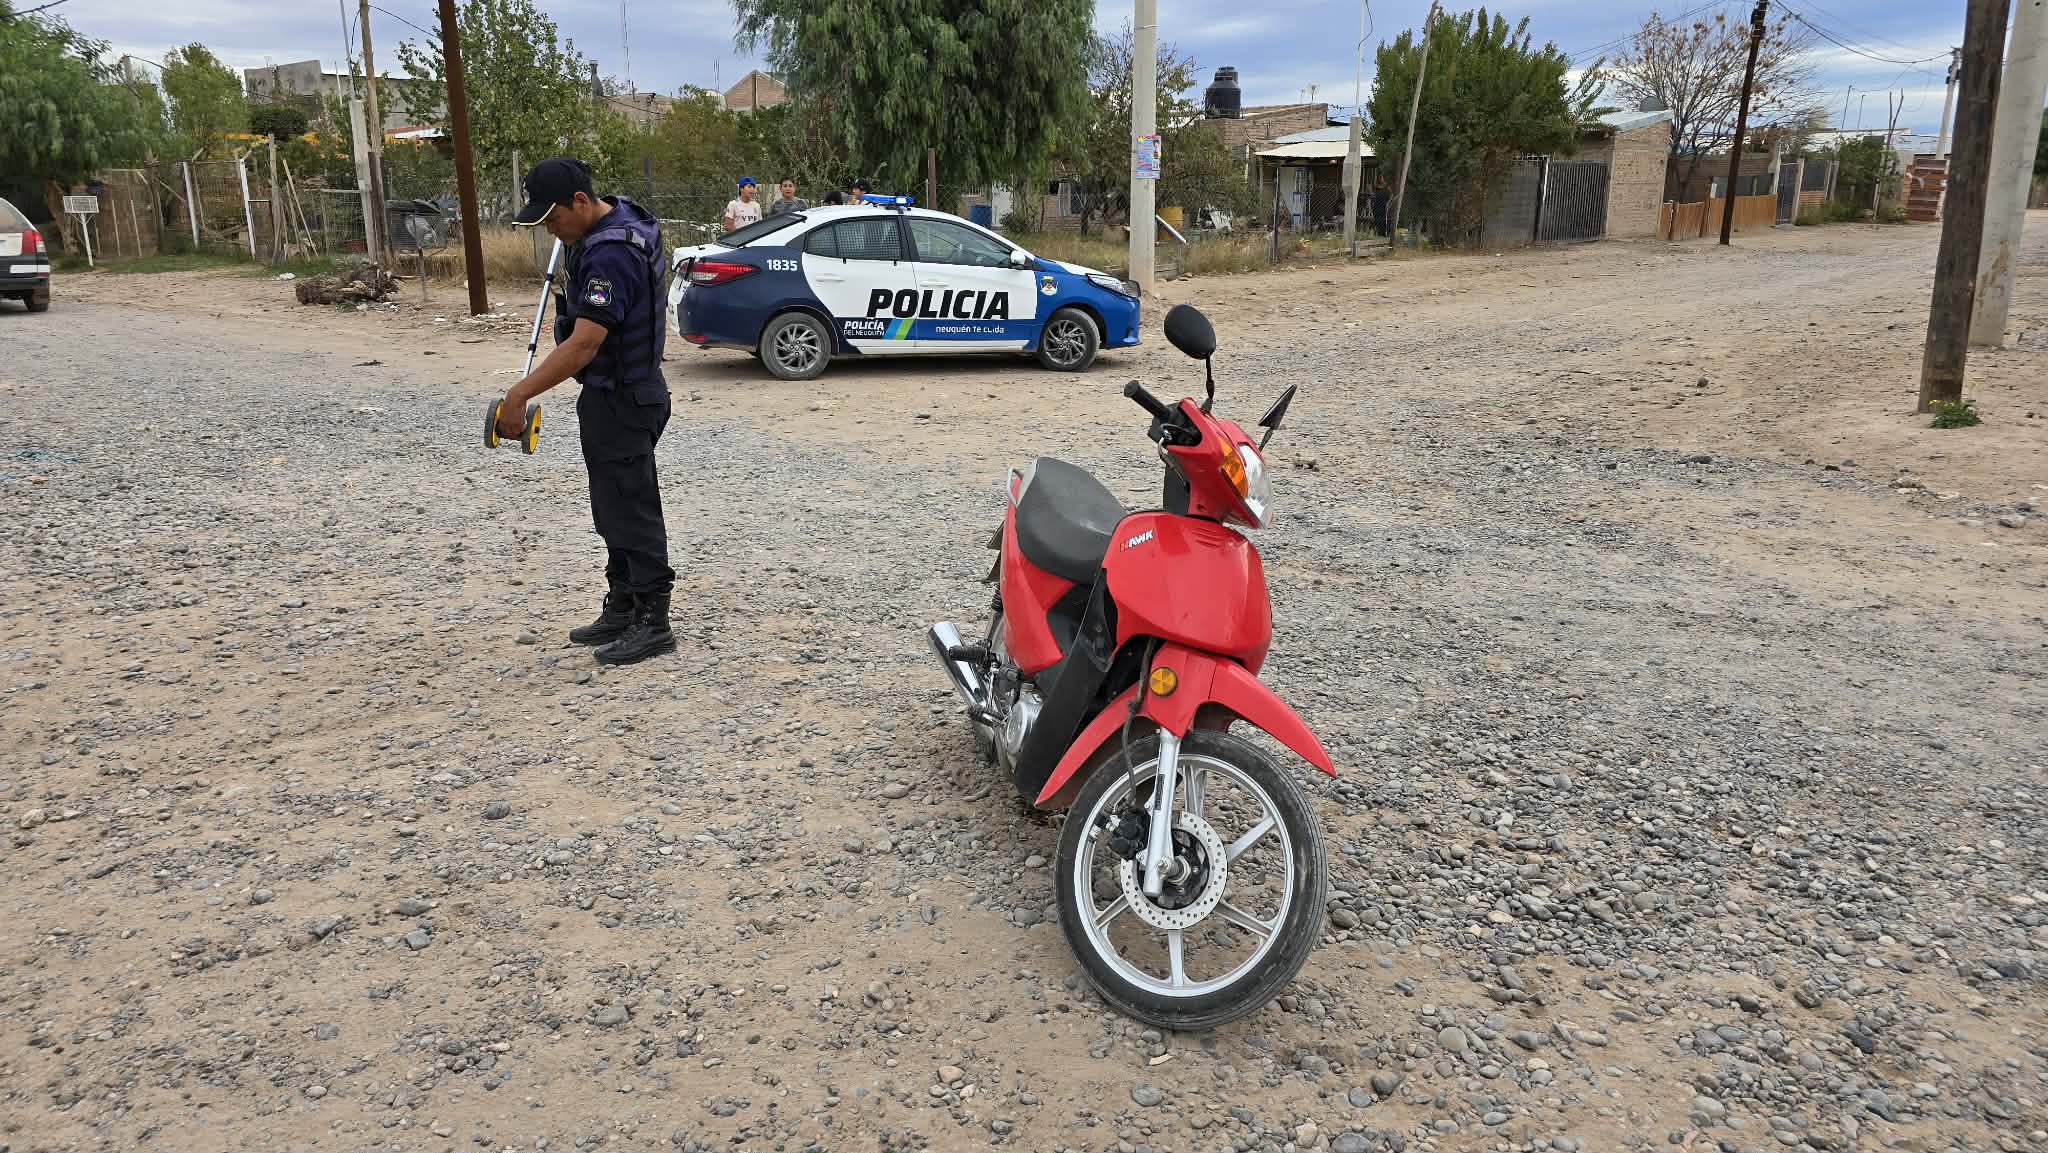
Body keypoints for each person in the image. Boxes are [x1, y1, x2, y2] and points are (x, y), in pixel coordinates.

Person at [498, 157, 676, 665]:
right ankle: (622, 603)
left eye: (552, 218)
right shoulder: (616, 222)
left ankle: (653, 620)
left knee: (632, 510)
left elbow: (583, 345)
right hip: (615, 394)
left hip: (625, 396)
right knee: (611, 508)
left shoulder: (611, 254)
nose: (550, 230)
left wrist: (519, 395)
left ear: (580, 202)